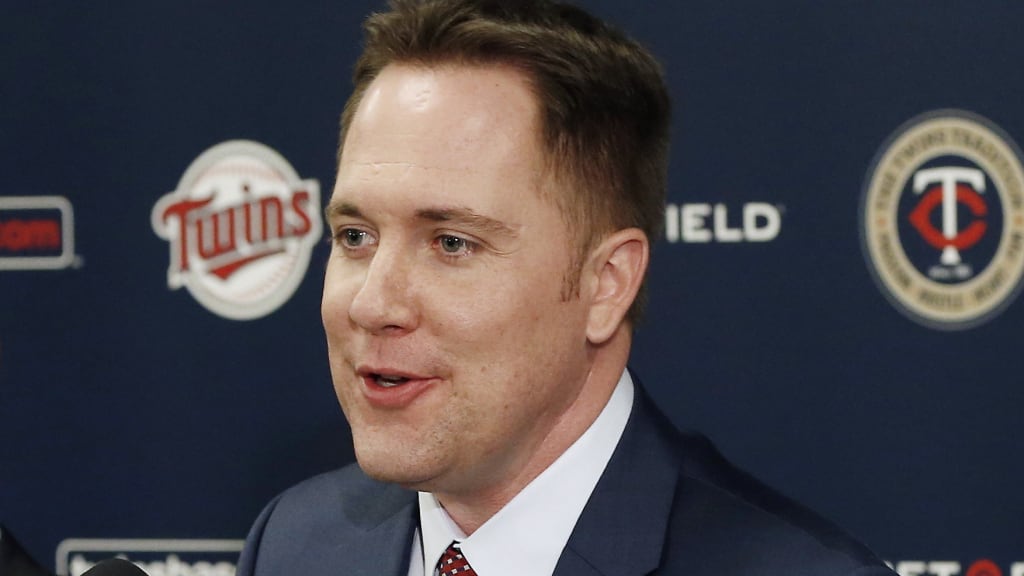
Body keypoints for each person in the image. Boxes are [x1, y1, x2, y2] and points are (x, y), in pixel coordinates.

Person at [237, 1, 896, 575]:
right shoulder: (294, 545)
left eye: (451, 243)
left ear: (606, 284)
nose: (372, 303)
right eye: (356, 236)